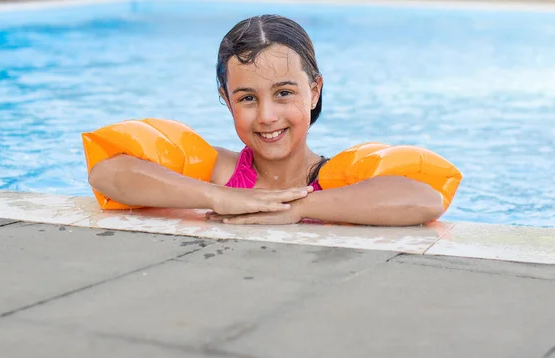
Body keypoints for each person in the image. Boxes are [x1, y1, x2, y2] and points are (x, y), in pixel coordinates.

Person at [88, 15, 444, 226]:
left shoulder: (340, 182)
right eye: (247, 98)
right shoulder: (221, 173)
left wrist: (297, 208)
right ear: (226, 100)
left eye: (284, 93)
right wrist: (217, 196)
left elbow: (425, 199)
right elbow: (107, 174)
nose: (267, 116)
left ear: (315, 91)